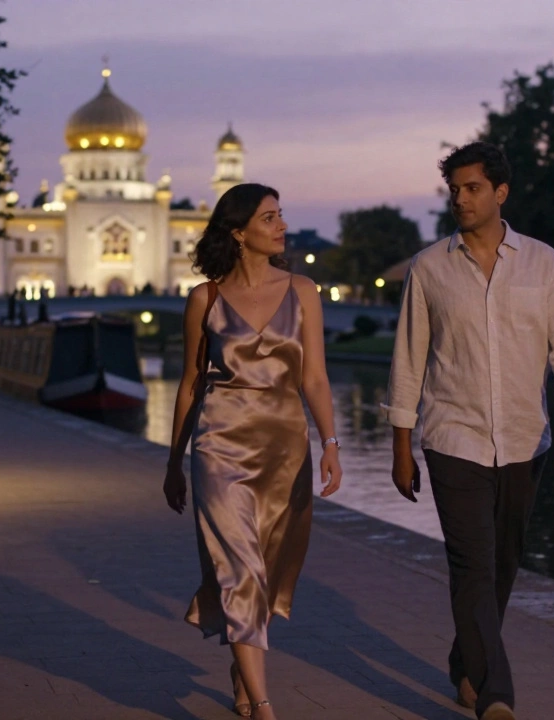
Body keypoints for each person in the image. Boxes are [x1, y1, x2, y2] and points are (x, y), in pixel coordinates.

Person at [382, 142, 554, 720]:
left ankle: (465, 661)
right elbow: (408, 363)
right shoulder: (429, 268)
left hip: (526, 440)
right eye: (454, 189)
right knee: (472, 564)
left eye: (472, 187)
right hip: (453, 437)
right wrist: (401, 449)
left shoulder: (542, 263)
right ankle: (495, 693)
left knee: (502, 565)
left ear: (500, 193)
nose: (461, 198)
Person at [163, 184, 342, 720]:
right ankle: (263, 705)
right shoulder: (205, 299)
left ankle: (243, 668)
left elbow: (314, 378)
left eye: (281, 215)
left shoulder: (304, 290)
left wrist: (330, 443)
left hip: (285, 448)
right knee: (240, 571)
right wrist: (173, 462)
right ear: (239, 232)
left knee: (265, 570)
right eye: (270, 218)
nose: (282, 225)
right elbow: (191, 384)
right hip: (219, 445)